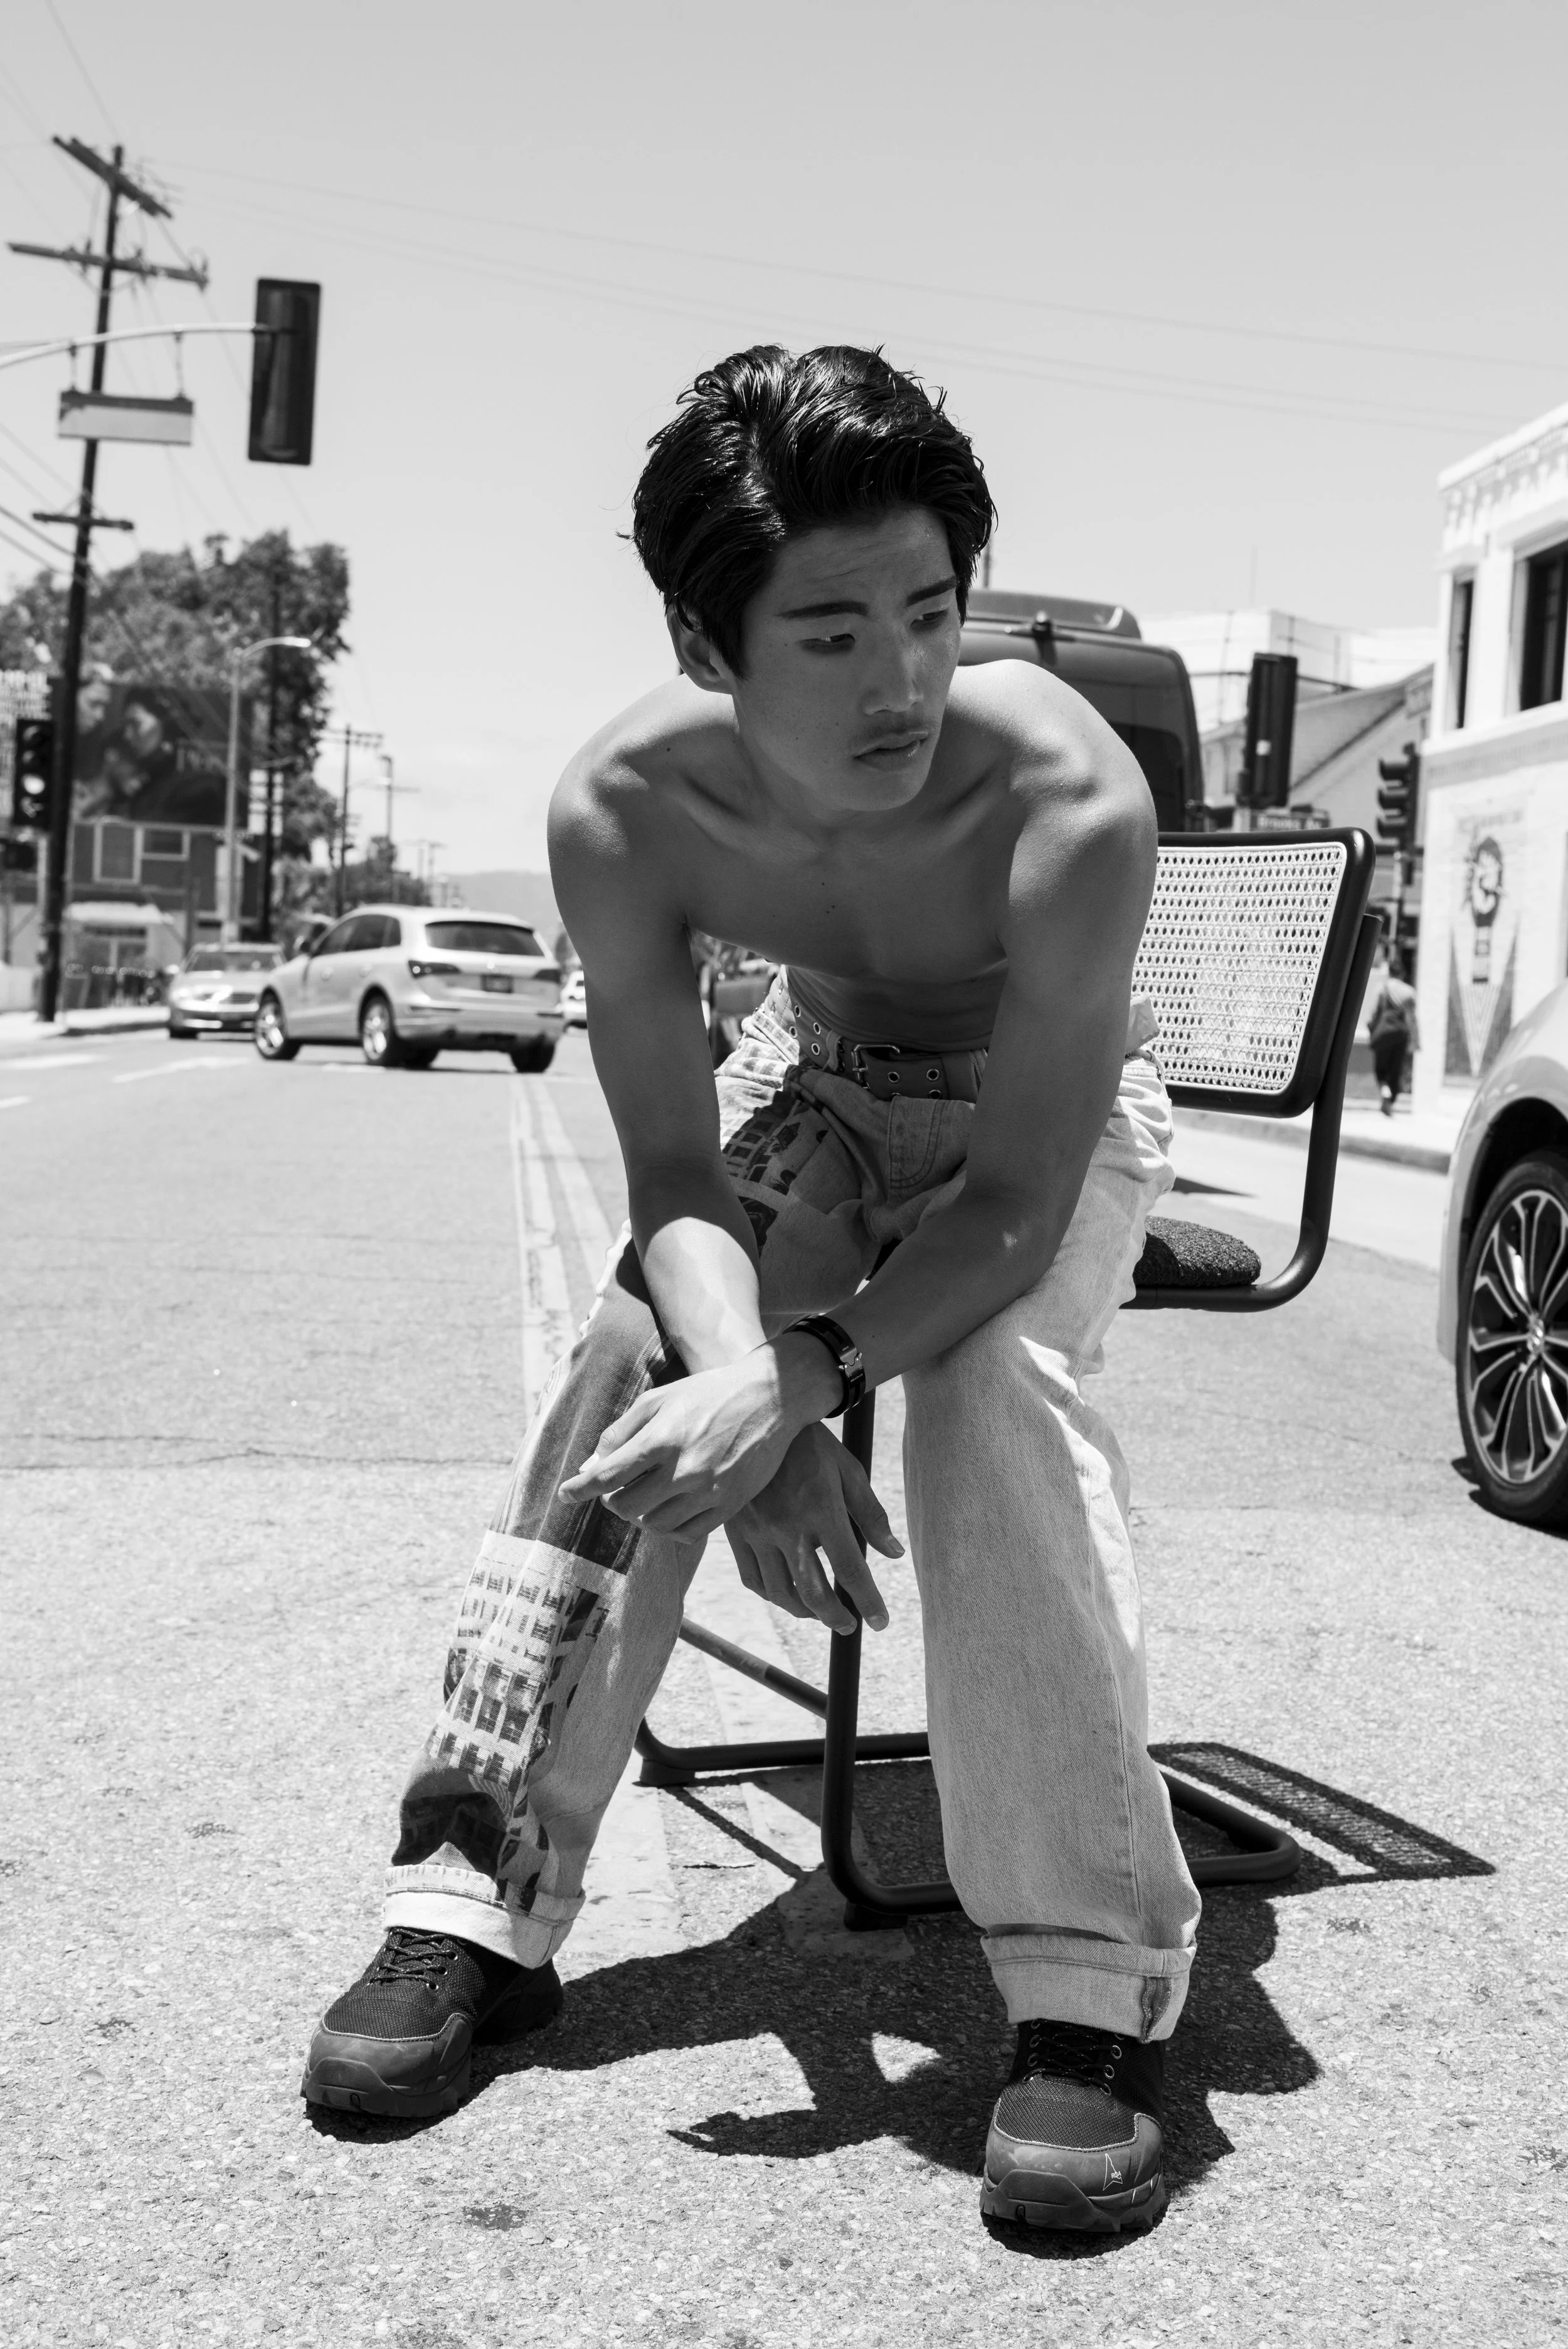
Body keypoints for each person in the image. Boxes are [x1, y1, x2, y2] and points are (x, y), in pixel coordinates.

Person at [302, 346, 1199, 2237]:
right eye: (827, 631)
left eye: (930, 613)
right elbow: (670, 1176)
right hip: (826, 1103)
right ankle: (472, 1899)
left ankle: (1085, 1996)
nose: (898, 680)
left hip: (1038, 1136)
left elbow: (1021, 1199)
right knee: (625, 1350)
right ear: (710, 646)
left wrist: (801, 1374)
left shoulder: (1065, 799)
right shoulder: (625, 811)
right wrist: (743, 1379)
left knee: (983, 1387)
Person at [1368, 943, 1419, 1115]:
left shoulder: (1382, 989)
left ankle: (1384, 1091)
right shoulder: (1409, 992)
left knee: (1380, 1070)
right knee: (1395, 1070)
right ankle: (1390, 1100)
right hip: (1401, 1035)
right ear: (1402, 973)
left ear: (1389, 972)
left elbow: (1373, 1015)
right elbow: (1412, 1019)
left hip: (1383, 1035)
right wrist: (1416, 1041)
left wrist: (1371, 1032)